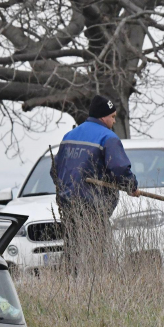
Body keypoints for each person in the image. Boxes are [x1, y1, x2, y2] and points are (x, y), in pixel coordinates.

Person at [50, 95, 140, 270]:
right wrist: (132, 187)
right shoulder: (108, 138)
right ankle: (97, 289)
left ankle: (72, 289)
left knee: (72, 253)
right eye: (112, 117)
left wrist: (66, 189)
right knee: (97, 256)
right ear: (102, 116)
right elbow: (120, 168)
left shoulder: (69, 136)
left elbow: (55, 171)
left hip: (68, 206)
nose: (114, 121)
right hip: (94, 208)